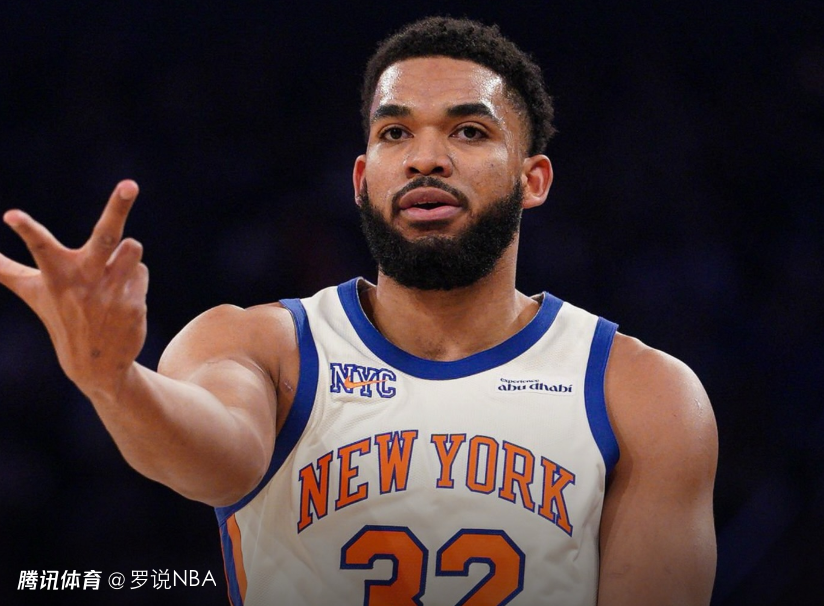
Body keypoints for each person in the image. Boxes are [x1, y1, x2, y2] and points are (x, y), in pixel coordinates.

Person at [0, 16, 717, 606]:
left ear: (533, 180)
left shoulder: (641, 395)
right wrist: (114, 381)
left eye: (468, 132)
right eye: (395, 133)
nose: (425, 158)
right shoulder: (261, 346)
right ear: (361, 177)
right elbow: (218, 462)